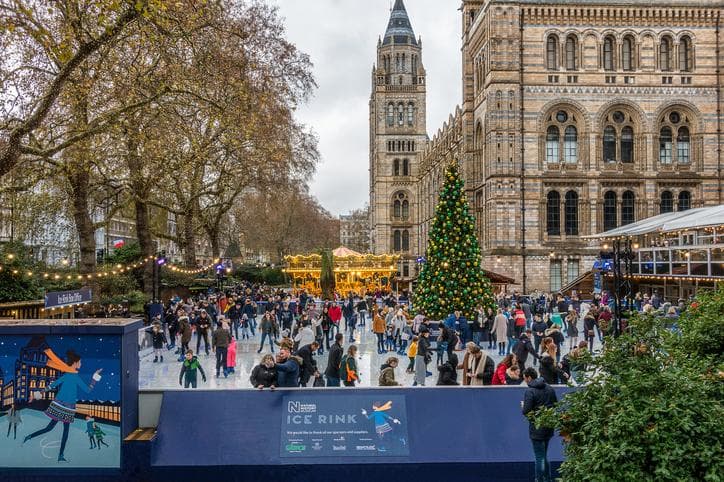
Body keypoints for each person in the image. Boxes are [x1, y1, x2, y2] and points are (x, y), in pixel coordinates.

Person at [23, 349, 103, 462]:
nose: (81, 364)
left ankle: (31, 438)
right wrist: (94, 378)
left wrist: (34, 395)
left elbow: (51, 386)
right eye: (80, 362)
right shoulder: (72, 376)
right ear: (75, 363)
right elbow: (88, 390)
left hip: (64, 407)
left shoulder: (71, 375)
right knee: (58, 430)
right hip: (63, 407)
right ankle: (59, 454)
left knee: (51, 429)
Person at [522, 367, 558, 482]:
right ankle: (547, 479)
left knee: (539, 456)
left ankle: (539, 479)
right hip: (548, 426)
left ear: (529, 377)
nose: (525, 381)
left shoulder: (530, 391)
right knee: (544, 455)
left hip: (537, 428)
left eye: (525, 379)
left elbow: (526, 411)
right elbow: (555, 405)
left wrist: (523, 407)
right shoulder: (550, 388)